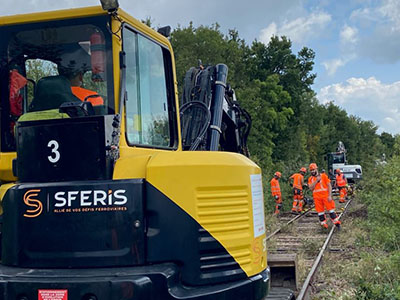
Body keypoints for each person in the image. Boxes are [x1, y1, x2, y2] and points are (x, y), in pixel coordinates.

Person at [308, 163, 341, 229]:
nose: (312, 171)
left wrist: (329, 195)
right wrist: (316, 181)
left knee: (331, 210)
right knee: (320, 212)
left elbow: (329, 185)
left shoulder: (323, 176)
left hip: (325, 196)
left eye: (313, 170)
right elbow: (311, 188)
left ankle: (337, 224)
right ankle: (323, 225)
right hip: (317, 198)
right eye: (311, 170)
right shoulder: (310, 179)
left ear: (316, 169)